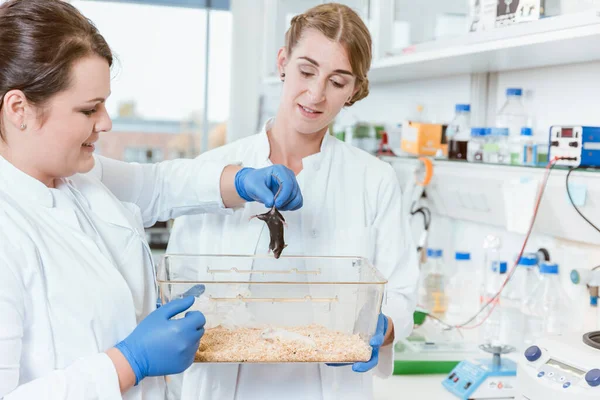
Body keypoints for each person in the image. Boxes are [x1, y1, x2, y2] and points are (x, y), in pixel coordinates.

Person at [0, 1, 302, 399]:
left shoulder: (79, 177)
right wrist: (129, 362)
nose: (106, 122)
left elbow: (157, 185)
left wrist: (241, 180)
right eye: (89, 108)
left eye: (105, 103)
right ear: (19, 109)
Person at [166, 3, 420, 400]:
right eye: (306, 71)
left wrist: (382, 327)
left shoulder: (375, 180)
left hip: (330, 387)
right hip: (224, 386)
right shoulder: (214, 171)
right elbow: (180, 284)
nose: (316, 94)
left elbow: (403, 294)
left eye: (337, 82)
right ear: (282, 62)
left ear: (354, 89)